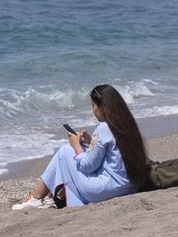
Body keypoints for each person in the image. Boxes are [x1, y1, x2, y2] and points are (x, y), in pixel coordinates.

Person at [13, 84, 153, 210]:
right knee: (76, 151)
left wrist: (75, 145)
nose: (93, 111)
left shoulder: (104, 128)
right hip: (129, 186)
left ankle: (36, 198)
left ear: (102, 107)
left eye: (93, 106)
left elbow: (88, 166)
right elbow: (114, 152)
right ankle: (48, 196)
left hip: (107, 189)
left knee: (65, 151)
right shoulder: (127, 123)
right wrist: (91, 141)